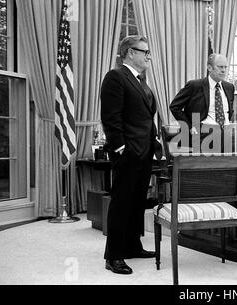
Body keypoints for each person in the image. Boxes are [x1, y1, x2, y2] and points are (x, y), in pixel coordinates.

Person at [100, 35, 161, 275]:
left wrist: (155, 143)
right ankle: (113, 255)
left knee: (137, 203)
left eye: (148, 52)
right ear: (129, 53)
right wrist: (120, 149)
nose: (148, 56)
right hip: (127, 153)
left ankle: (132, 246)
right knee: (122, 202)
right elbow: (111, 118)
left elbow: (147, 117)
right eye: (144, 51)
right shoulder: (116, 77)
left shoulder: (141, 81)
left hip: (145, 153)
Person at [169, 53, 234, 153]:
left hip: (226, 134)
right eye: (220, 67)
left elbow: (229, 111)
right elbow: (174, 106)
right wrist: (189, 127)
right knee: (208, 167)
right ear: (209, 67)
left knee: (229, 166)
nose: (223, 70)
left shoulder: (229, 87)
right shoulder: (195, 86)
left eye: (225, 67)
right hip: (204, 134)